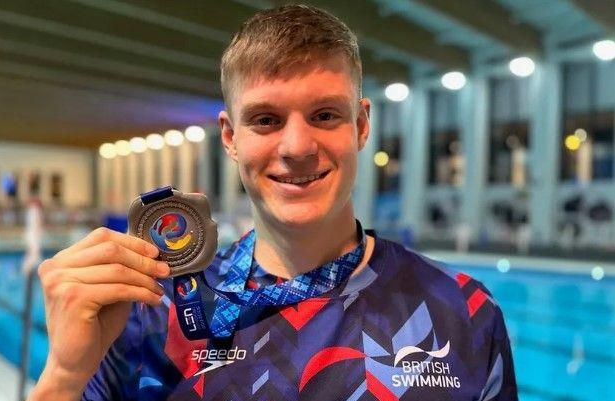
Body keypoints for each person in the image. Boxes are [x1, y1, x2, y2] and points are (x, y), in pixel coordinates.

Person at [28, 5, 517, 401]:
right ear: (230, 137)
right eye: (265, 120)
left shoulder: (464, 311)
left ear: (362, 125)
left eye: (325, 114)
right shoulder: (152, 317)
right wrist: (63, 378)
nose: (297, 146)